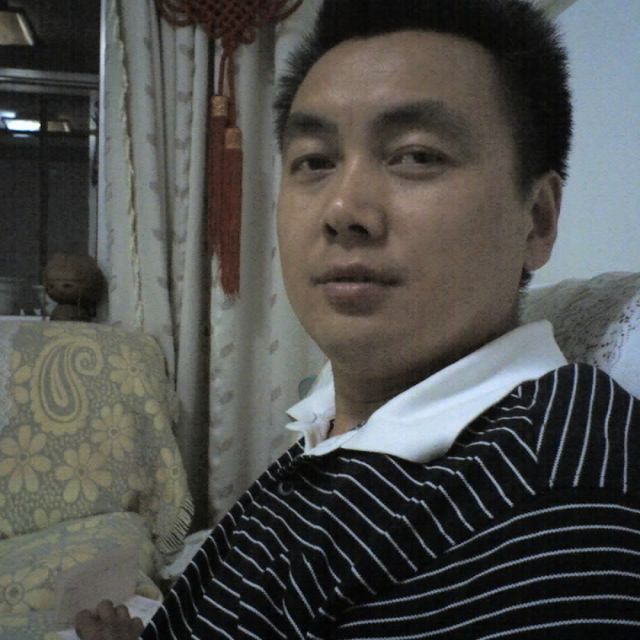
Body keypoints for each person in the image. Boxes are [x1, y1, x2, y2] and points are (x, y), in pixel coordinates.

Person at [76, 0, 640, 638]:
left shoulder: (559, 514)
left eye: (416, 155)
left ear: (536, 219)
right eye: (316, 161)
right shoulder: (339, 423)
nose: (343, 209)